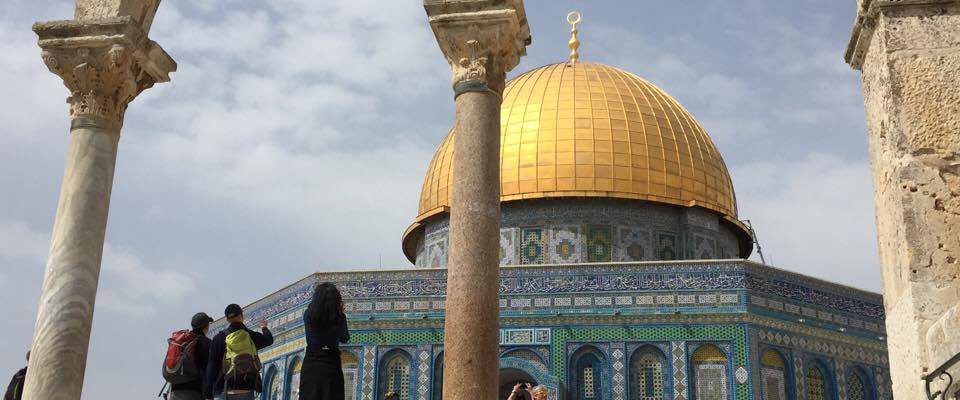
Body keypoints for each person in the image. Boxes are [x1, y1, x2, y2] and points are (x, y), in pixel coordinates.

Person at [204, 304, 274, 400]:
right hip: (246, 389)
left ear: (227, 319)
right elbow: (269, 340)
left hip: (224, 390)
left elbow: (212, 366)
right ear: (242, 315)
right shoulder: (250, 336)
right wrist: (264, 327)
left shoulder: (218, 339)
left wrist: (208, 393)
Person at [299, 282, 350, 400]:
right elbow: (345, 338)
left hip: (311, 363)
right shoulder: (339, 317)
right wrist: (341, 313)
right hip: (331, 364)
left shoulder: (308, 314)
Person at [168, 312, 214, 400]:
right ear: (206, 326)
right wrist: (209, 394)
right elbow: (207, 370)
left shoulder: (183, 342)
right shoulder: (205, 343)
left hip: (174, 391)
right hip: (193, 392)